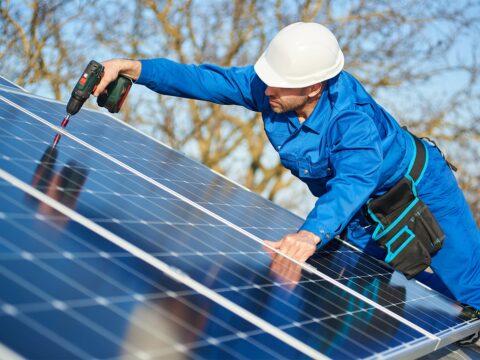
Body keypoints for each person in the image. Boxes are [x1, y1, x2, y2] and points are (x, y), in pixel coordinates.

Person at [93, 22, 480, 316]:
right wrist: (132, 68)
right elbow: (206, 79)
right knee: (359, 296)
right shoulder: (271, 90)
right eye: (266, 80)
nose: (267, 89)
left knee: (466, 293)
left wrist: (310, 234)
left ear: (314, 87)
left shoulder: (353, 121)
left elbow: (354, 180)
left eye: (278, 84)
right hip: (358, 213)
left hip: (419, 193)